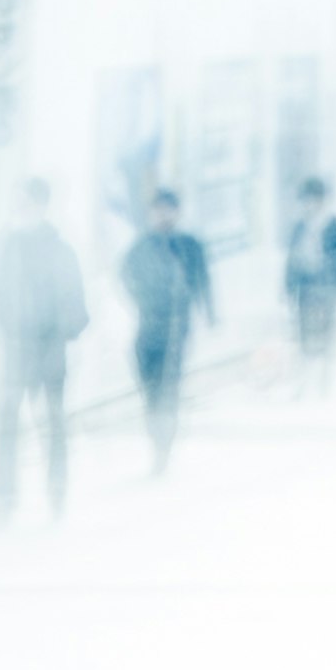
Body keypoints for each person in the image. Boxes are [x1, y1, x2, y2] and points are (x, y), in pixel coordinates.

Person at [0, 175, 88, 520]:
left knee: (53, 422)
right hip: (14, 349)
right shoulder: (3, 247)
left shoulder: (59, 249)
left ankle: (56, 490)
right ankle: (2, 495)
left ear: (41, 205)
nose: (19, 207)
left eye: (26, 200)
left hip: (48, 348)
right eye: (17, 200)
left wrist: (62, 332)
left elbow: (75, 301)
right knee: (6, 422)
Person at [123, 182, 212, 473]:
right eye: (158, 210)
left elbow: (202, 281)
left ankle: (163, 446)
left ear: (177, 213)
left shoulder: (188, 246)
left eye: (169, 210)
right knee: (149, 387)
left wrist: (208, 313)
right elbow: (126, 277)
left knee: (169, 388)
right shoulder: (141, 248)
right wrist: (143, 299)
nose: (163, 216)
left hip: (176, 331)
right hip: (148, 329)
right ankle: (156, 432)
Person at [282, 169, 336, 391]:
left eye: (312, 199)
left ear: (322, 200)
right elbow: (291, 260)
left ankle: (324, 382)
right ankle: (304, 382)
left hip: (329, 287)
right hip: (306, 287)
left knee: (326, 334)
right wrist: (288, 287)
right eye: (305, 200)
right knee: (304, 336)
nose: (308, 204)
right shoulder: (299, 226)